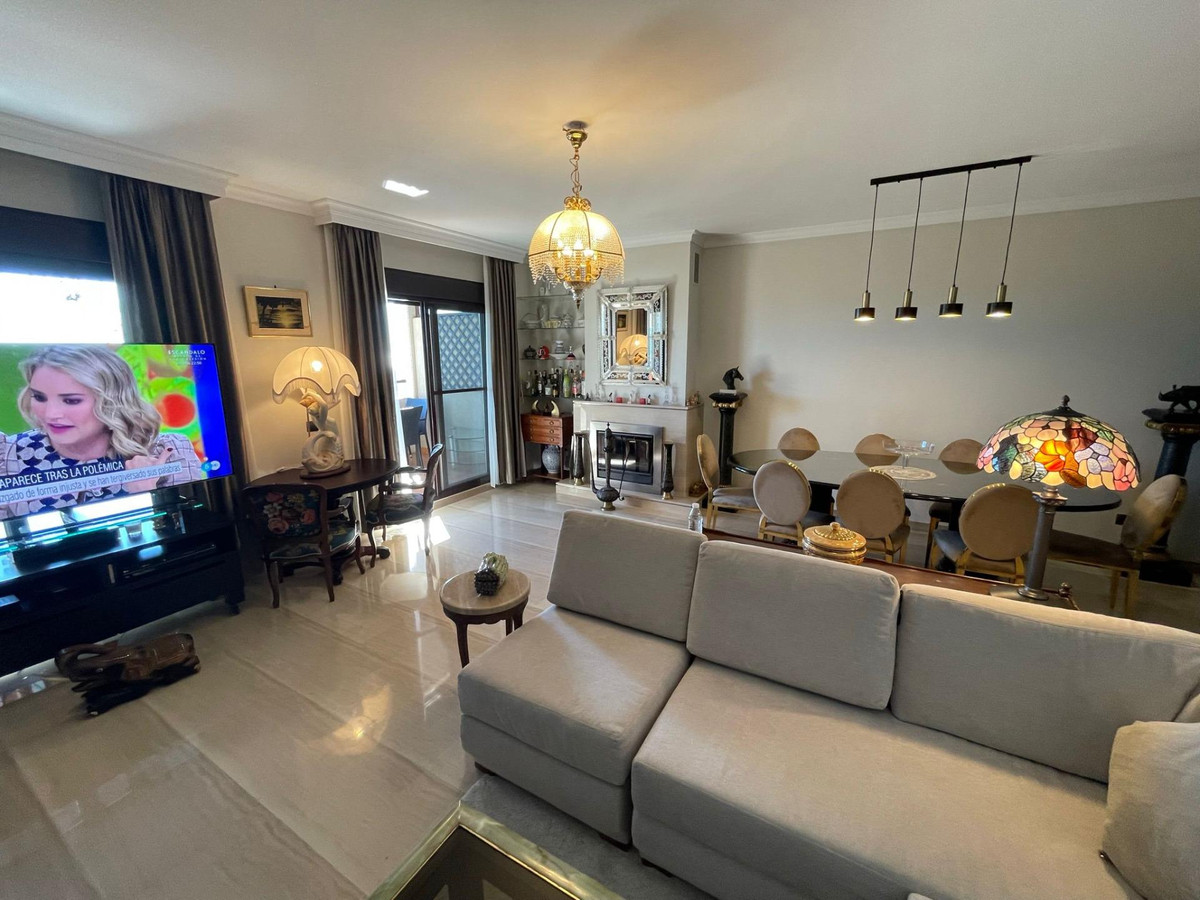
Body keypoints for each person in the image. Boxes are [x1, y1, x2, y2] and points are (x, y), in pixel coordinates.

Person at [0, 345, 205, 519]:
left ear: (112, 402)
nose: (51, 414)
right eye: (39, 397)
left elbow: (190, 535)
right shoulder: (9, 455)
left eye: (71, 400)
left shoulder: (167, 452)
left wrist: (145, 494)